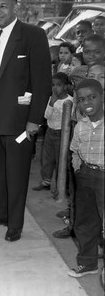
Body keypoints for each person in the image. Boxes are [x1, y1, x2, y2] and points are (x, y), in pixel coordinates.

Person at [0, 0, 52, 242]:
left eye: (3, 6)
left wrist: (34, 119)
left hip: (19, 118)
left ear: (15, 8)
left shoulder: (33, 35)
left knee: (16, 172)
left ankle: (15, 224)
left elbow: (42, 82)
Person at [67, 79, 103, 278]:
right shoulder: (81, 125)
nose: (87, 102)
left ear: (102, 97)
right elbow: (74, 150)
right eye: (81, 99)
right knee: (85, 222)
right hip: (86, 175)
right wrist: (77, 167)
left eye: (92, 97)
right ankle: (88, 263)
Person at [32, 72, 73, 192]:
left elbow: (70, 119)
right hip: (50, 132)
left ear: (65, 86)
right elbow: (46, 116)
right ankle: (46, 182)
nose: (55, 88)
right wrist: (51, 103)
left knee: (61, 160)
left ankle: (61, 187)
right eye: (53, 85)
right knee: (47, 158)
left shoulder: (70, 101)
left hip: (62, 134)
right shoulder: (51, 99)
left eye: (58, 85)